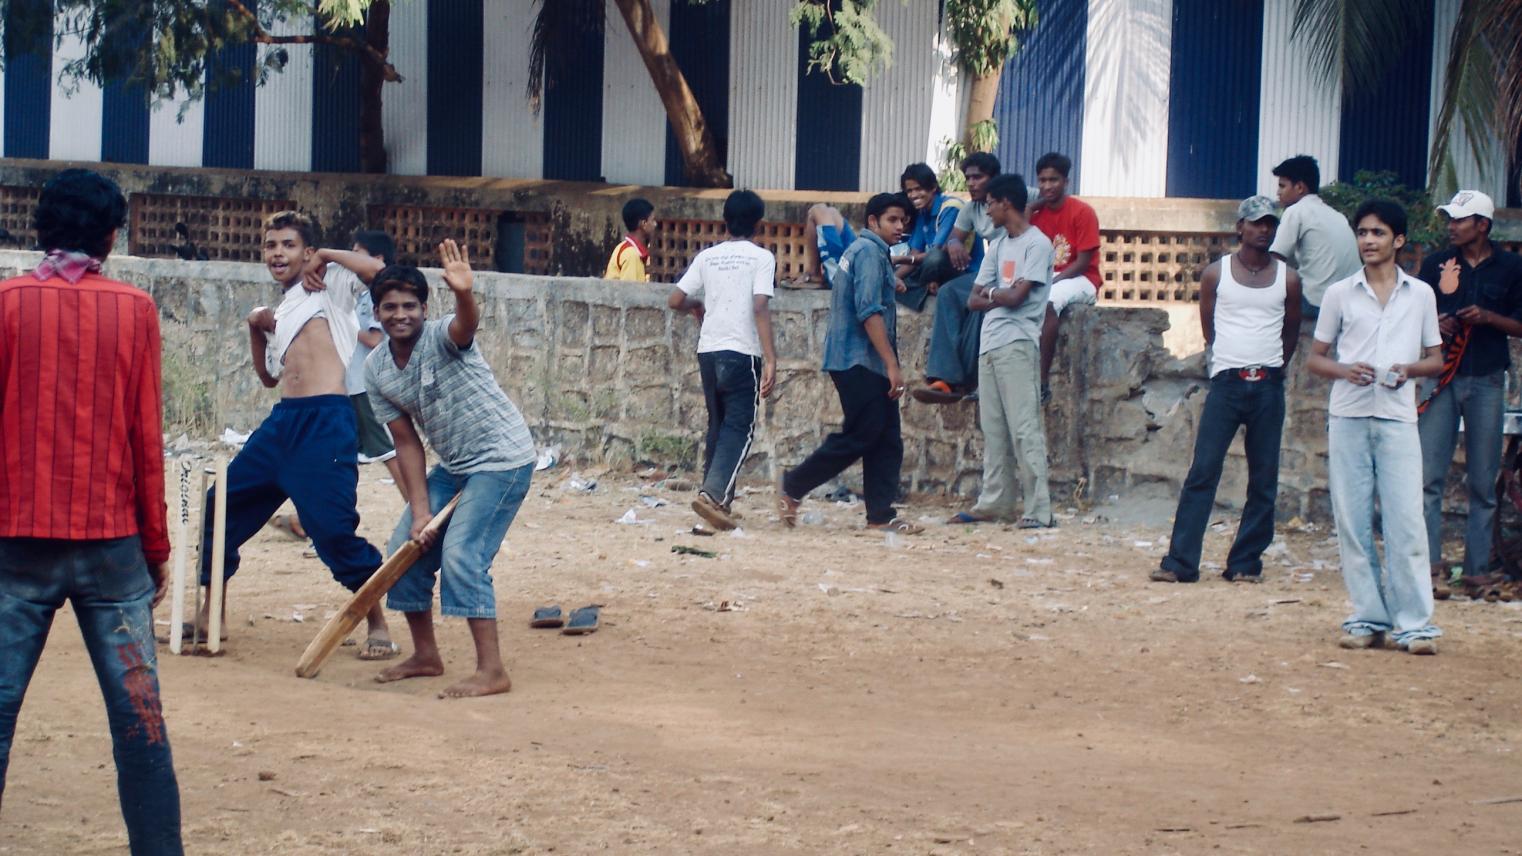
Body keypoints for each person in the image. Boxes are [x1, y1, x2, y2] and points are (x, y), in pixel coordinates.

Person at [0, 169, 184, 853]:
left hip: (14, 543)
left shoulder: (7, 302)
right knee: (141, 725)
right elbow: (145, 436)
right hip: (112, 548)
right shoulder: (133, 310)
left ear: (39, 228)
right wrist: (156, 547)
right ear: (112, 235)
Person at [192, 211, 394, 656]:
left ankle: (376, 622)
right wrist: (256, 328)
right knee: (219, 505)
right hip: (283, 421)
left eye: (288, 245)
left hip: (326, 422)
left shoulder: (331, 285)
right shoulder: (282, 309)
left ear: (306, 252)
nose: (277, 253)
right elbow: (268, 378)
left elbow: (378, 271)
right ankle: (213, 613)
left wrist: (324, 254)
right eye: (270, 245)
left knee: (333, 530)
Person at [366, 241, 538, 698]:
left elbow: (466, 325)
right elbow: (406, 442)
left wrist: (464, 293)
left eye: (409, 306)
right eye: (389, 307)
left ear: (424, 308)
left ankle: (491, 671)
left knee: (463, 554)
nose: (399, 315)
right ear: (376, 313)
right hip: (456, 465)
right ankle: (426, 655)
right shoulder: (376, 369)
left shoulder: (443, 336)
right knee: (404, 547)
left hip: (503, 458)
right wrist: (420, 512)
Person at [1307, 199, 1444, 654]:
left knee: (1406, 521)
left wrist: (1409, 369)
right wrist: (1346, 370)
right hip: (1348, 416)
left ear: (1398, 240)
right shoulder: (1340, 293)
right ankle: (1367, 617)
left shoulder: (1421, 294)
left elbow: (1436, 360)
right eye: (1362, 232)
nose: (1368, 240)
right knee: (1353, 520)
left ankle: (1415, 625)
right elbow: (1315, 357)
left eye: (1378, 233)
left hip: (1398, 417)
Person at [1151, 196, 1303, 584]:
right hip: (1227, 384)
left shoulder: (1287, 278)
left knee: (1264, 477)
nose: (1263, 230)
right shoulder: (1217, 274)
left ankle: (1245, 562)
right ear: (1240, 228)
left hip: (1268, 384)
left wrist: (1272, 365)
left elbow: (1291, 332)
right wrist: (1228, 362)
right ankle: (1181, 563)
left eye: (1270, 223)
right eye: (1256, 223)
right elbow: (1209, 328)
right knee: (1203, 470)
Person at [779, 193, 922, 534]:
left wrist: (893, 281)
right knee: (863, 433)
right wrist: (892, 364)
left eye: (903, 220)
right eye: (892, 219)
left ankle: (880, 515)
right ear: (873, 222)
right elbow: (869, 312)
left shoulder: (864, 251)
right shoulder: (871, 253)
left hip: (855, 358)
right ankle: (793, 485)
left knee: (886, 437)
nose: (900, 226)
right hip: (860, 360)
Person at [1416, 190, 1522, 599]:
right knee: (1429, 477)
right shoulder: (1434, 265)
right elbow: (1414, 317)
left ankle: (1476, 571)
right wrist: (1435, 325)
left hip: (1488, 379)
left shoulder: (1512, 267)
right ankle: (1428, 566)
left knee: (1482, 479)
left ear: (1483, 225)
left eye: (1461, 219)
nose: (1452, 225)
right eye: (1451, 219)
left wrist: (1489, 318)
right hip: (1442, 377)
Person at [947, 174, 1056, 529]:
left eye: (990, 202)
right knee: (993, 429)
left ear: (1006, 203)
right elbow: (973, 298)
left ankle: (1039, 509)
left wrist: (995, 295)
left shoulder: (1037, 245)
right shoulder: (997, 246)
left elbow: (1014, 297)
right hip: (991, 344)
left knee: (1025, 428)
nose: (986, 209)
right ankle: (996, 502)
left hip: (1019, 342)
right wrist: (999, 294)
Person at [667, 190, 779, 531]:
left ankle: (718, 500)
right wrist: (771, 358)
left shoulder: (708, 257)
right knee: (740, 426)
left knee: (718, 423)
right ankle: (712, 495)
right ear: (759, 224)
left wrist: (696, 308)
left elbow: (675, 299)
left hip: (708, 349)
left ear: (725, 221)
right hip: (741, 350)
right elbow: (760, 305)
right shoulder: (761, 258)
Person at [912, 152, 1003, 403]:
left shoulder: (1014, 197)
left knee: (978, 307)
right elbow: (954, 236)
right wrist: (953, 243)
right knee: (948, 292)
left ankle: (963, 381)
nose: (971, 183)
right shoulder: (972, 208)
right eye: (968, 178)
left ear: (994, 178)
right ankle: (943, 378)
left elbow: (1045, 197)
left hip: (1012, 273)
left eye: (978, 177)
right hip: (987, 271)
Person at [1029, 152, 1102, 406]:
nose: (1047, 186)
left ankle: (1042, 382)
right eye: (1042, 180)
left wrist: (1053, 282)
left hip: (1082, 277)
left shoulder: (1082, 212)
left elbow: (1083, 262)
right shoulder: (1036, 215)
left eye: (1053, 180)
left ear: (1066, 182)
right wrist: (1028, 210)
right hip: (1046, 276)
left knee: (1048, 302)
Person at [1269, 155, 1360, 319]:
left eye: (1282, 186)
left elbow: (1275, 260)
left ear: (1299, 188)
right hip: (1351, 301)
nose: (1278, 192)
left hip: (1316, 303)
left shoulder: (1296, 211)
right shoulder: (1337, 215)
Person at [894, 161, 963, 312]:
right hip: (931, 269)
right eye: (909, 191)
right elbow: (915, 253)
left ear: (933, 187)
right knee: (890, 277)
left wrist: (899, 260)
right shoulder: (922, 212)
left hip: (960, 269)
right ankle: (923, 285)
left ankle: (922, 286)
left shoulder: (951, 207)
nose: (913, 195)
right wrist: (893, 278)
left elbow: (936, 252)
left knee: (933, 258)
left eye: (918, 189)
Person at [801, 203, 857, 287]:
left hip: (845, 279)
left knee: (817, 211)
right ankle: (814, 272)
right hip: (854, 266)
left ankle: (814, 273)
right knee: (832, 212)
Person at [605, 198, 656, 282]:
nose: (655, 224)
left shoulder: (623, 247)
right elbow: (632, 292)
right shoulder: (632, 255)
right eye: (653, 220)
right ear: (643, 224)